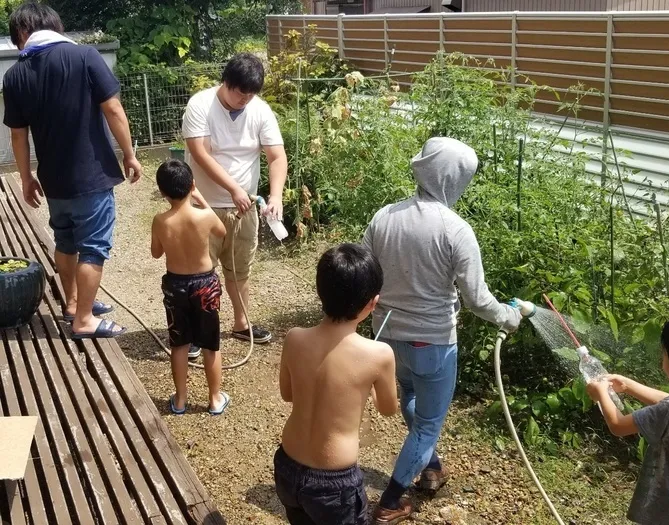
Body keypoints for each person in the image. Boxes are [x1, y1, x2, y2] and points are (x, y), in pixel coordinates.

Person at [362, 137, 522, 523]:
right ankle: (391, 500)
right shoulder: (456, 230)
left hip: (385, 335)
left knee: (412, 399)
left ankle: (431, 466)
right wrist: (509, 317)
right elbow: (478, 300)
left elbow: (365, 273)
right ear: (454, 179)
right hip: (432, 342)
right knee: (429, 422)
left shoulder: (385, 216)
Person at [2, 2, 142, 339]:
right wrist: (129, 154)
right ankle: (83, 320)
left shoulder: (15, 75)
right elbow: (113, 108)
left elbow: (18, 135)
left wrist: (26, 177)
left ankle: (72, 304)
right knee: (93, 248)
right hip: (91, 177)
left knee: (65, 242)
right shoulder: (85, 57)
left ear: (24, 31)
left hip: (53, 180)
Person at [274, 243, 399, 525]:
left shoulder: (294, 338)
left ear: (321, 291)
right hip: (334, 483)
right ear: (373, 302)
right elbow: (388, 409)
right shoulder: (379, 355)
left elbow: (287, 394)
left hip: (287, 465)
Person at [182, 52, 288, 349]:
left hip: (246, 207)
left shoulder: (260, 110)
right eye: (241, 94)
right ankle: (195, 332)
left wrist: (276, 195)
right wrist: (233, 188)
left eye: (251, 95)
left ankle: (241, 324)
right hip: (203, 205)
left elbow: (277, 156)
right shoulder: (200, 105)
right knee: (199, 271)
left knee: (240, 268)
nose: (245, 100)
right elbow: (200, 154)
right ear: (226, 83)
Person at [586, 310, 669, 525]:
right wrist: (628, 386)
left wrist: (601, 393)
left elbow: (618, 425)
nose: (662, 360)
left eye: (664, 355)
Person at [150, 159, 230, 416]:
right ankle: (215, 398)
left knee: (179, 343)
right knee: (210, 343)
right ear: (192, 185)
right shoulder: (205, 216)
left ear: (162, 192)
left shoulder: (160, 221)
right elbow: (221, 231)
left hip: (175, 285)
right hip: (204, 285)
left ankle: (181, 399)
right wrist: (201, 199)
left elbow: (155, 253)